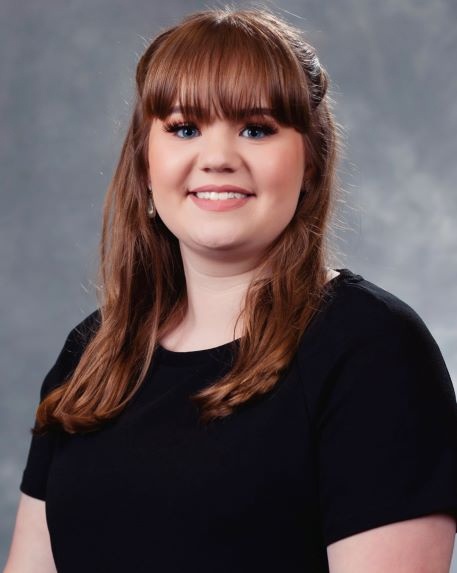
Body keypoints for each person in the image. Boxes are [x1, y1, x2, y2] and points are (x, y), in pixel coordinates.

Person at [5, 6, 457, 573]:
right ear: (145, 163)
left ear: (311, 162)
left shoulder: (375, 351)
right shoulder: (93, 354)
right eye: (185, 128)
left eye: (256, 129)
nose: (217, 159)